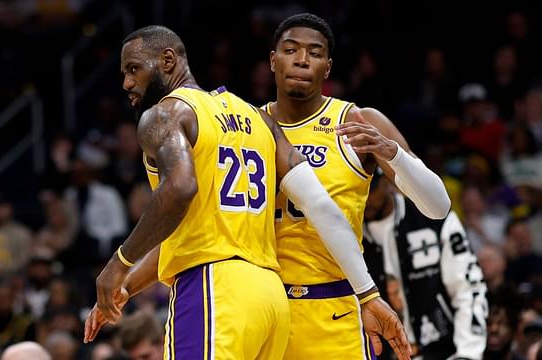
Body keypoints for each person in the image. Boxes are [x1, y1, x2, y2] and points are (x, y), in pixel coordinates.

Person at [86, 25, 411, 360]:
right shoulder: (256, 118)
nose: (127, 83)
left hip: (214, 287)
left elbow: (180, 188)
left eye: (133, 69)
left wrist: (118, 264)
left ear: (168, 60)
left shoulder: (166, 114)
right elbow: (320, 206)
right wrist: (368, 292)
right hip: (271, 297)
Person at [261, 13, 451, 359]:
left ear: (328, 67)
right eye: (291, 50)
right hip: (264, 308)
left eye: (314, 53)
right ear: (273, 60)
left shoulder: (357, 121)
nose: (302, 59)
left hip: (335, 307)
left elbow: (438, 206)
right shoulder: (249, 125)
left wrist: (391, 153)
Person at [362, 172, 487, 359]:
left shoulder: (433, 215)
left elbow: (468, 288)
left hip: (443, 350)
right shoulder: (346, 231)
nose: (364, 196)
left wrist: (468, 353)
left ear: (387, 180)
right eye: (356, 189)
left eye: (370, 187)